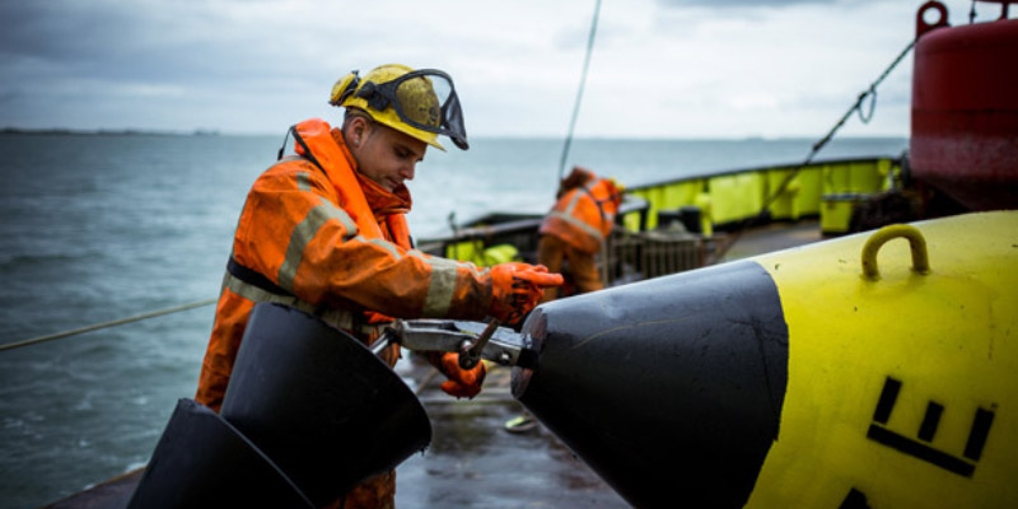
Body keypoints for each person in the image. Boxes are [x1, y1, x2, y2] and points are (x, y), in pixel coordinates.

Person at [194, 63, 563, 509]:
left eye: (416, 160)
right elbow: (342, 266)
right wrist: (482, 289)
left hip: (349, 436)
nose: (410, 172)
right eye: (401, 153)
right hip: (262, 437)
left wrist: (444, 354)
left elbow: (390, 300)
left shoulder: (382, 210)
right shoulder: (284, 191)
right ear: (358, 129)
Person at [504, 166, 623, 433]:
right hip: (579, 237)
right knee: (592, 285)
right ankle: (609, 328)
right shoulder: (607, 197)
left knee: (545, 284)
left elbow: (576, 174)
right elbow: (601, 231)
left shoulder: (588, 184)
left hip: (552, 228)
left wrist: (562, 188)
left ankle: (534, 332)